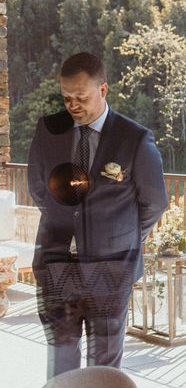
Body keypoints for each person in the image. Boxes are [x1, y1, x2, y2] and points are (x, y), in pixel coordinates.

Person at [28, 52, 168, 378]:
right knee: (61, 362)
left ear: (102, 90)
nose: (72, 105)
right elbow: (38, 188)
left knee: (104, 365)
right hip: (57, 265)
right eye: (66, 97)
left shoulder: (134, 138)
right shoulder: (48, 131)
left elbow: (155, 202)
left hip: (111, 270)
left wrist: (122, 239)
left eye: (81, 97)